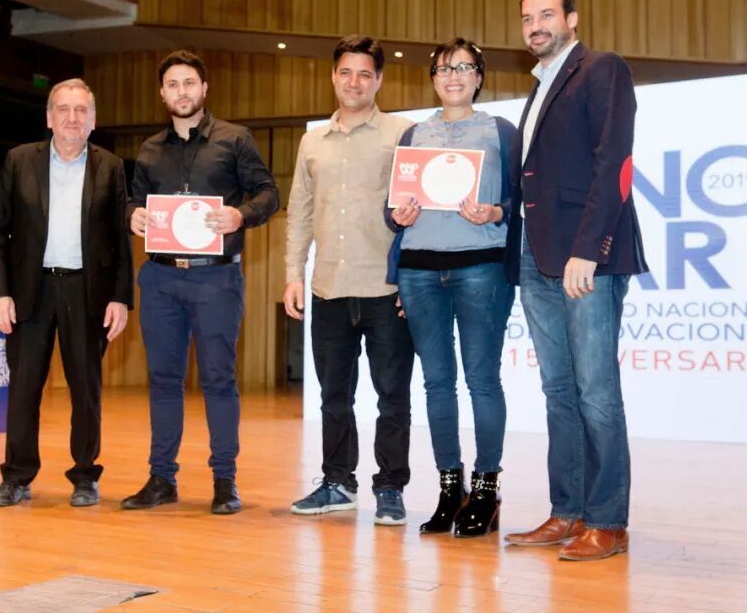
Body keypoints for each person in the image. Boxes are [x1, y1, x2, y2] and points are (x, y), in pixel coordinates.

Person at [503, 0, 648, 561]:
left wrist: (589, 249)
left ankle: (608, 521)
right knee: (559, 391)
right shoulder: (538, 87)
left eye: (546, 14)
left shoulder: (601, 69)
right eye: (527, 18)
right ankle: (568, 511)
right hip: (536, 257)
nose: (535, 25)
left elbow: (614, 162)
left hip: (585, 259)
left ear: (572, 19)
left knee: (596, 392)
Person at [124, 50, 279, 515]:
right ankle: (161, 478)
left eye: (189, 82)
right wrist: (131, 216)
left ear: (204, 88)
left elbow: (269, 193)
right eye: (173, 84)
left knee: (218, 380)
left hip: (216, 278)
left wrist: (240, 215)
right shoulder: (149, 150)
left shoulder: (235, 139)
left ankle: (225, 481)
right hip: (160, 277)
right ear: (162, 93)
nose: (182, 91)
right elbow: (131, 201)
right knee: (163, 380)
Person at [387, 38, 516, 538]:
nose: (453, 75)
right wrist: (397, 215)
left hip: (481, 267)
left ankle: (486, 489)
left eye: (464, 67)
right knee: (436, 382)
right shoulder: (413, 134)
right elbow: (392, 208)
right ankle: (449, 488)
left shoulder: (499, 131)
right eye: (444, 68)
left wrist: (495, 211)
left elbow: (520, 200)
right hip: (419, 269)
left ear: (479, 76)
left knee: (482, 379)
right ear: (433, 78)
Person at [0, 78, 133, 508]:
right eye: (63, 109)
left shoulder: (111, 167)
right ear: (49, 118)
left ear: (93, 120)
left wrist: (121, 297)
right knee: (24, 388)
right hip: (29, 292)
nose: (72, 118)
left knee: (86, 390)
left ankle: (85, 475)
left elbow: (120, 240)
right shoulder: (19, 161)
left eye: (81, 110)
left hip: (87, 292)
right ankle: (16, 476)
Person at [284, 35, 415, 526]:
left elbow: (419, 211)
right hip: (328, 289)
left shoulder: (403, 134)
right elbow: (299, 212)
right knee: (333, 397)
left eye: (364, 74)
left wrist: (412, 280)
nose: (354, 82)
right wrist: (293, 274)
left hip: (386, 289)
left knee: (392, 397)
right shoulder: (312, 141)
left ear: (378, 80)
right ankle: (337, 482)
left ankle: (390, 487)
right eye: (346, 72)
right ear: (333, 77)